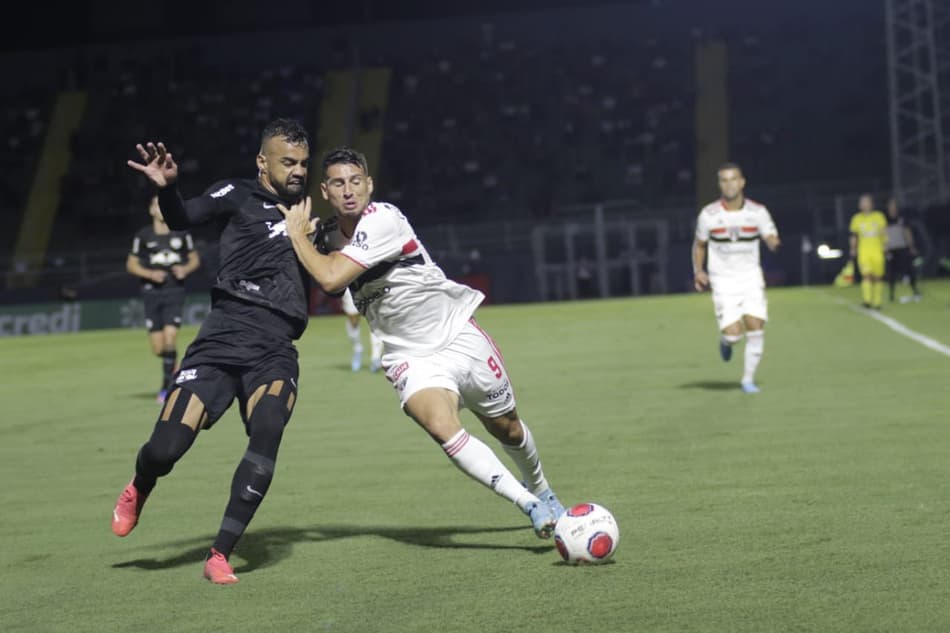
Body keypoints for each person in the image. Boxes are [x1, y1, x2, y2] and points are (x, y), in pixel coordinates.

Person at [280, 147, 565, 538]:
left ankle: (543, 489)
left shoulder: (384, 219)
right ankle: (529, 504)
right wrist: (304, 240)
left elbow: (330, 279)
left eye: (356, 181)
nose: (349, 190)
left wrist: (297, 237)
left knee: (508, 430)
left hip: (458, 335)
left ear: (369, 185)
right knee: (441, 426)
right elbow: (316, 267)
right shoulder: (328, 236)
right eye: (339, 183)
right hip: (409, 356)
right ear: (325, 191)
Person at [111, 118, 314, 584]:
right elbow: (183, 217)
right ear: (263, 162)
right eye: (288, 162)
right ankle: (140, 485)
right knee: (164, 450)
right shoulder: (237, 194)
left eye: (304, 163)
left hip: (274, 347)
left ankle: (220, 553)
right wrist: (168, 189)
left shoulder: (304, 214)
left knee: (268, 427)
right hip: (221, 340)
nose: (298, 171)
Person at [692, 162, 780, 394]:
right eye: (724, 180)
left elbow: (770, 235)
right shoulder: (709, 215)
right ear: (720, 184)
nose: (729, 184)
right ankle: (725, 341)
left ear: (742, 182)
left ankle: (747, 381)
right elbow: (699, 245)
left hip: (751, 278)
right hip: (723, 281)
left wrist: (773, 242)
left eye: (733, 179)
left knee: (755, 327)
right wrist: (699, 271)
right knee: (734, 336)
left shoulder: (757, 212)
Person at [126, 193, 201, 403]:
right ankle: (173, 365)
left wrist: (185, 269)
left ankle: (166, 389)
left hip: (174, 292)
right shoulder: (143, 236)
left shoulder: (181, 233)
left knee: (170, 339)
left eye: (162, 205)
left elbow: (194, 259)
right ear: (151, 210)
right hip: (151, 293)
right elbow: (131, 264)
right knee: (159, 348)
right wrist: (150, 274)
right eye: (156, 205)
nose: (160, 208)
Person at [848, 193, 888, 309]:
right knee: (866, 276)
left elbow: (884, 232)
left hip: (877, 251)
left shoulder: (879, 216)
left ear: (871, 204)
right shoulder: (857, 218)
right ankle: (867, 300)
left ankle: (877, 301)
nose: (863, 204)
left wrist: (885, 245)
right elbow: (854, 235)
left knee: (877, 277)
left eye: (866, 202)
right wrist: (853, 248)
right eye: (862, 202)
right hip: (864, 252)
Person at [884, 197, 921, 303]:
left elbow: (907, 232)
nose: (892, 208)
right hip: (891, 249)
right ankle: (891, 295)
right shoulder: (884, 219)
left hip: (902, 248)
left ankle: (915, 290)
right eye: (890, 206)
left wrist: (911, 246)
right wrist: (885, 248)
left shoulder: (902, 218)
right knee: (891, 273)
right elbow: (882, 234)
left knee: (910, 270)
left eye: (894, 206)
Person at [341, 287, 382, 372]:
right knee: (353, 320)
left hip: (373, 283)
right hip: (351, 284)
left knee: (375, 319)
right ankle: (357, 348)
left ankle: (376, 357)